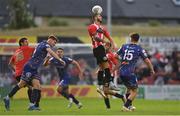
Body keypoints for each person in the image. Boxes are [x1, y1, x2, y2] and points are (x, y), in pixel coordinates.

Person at [3, 35, 65, 111]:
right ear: (50, 40)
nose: (54, 44)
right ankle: (7, 97)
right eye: (54, 42)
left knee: (37, 86)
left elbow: (44, 57)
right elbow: (51, 52)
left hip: (34, 68)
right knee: (22, 84)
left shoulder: (42, 44)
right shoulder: (45, 44)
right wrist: (60, 59)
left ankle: (32, 105)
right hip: (30, 66)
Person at [114, 33, 155, 111]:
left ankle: (129, 106)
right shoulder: (139, 48)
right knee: (135, 91)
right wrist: (151, 69)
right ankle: (125, 106)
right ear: (138, 39)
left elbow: (115, 55)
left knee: (129, 88)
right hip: (129, 72)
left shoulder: (124, 46)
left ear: (131, 38)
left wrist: (123, 59)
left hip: (121, 71)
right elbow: (147, 60)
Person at [87, 10, 116, 107]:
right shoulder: (91, 27)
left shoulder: (102, 28)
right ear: (95, 17)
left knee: (104, 67)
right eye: (99, 16)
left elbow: (110, 38)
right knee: (105, 66)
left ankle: (102, 85)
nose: (101, 17)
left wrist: (112, 45)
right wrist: (104, 41)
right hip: (97, 48)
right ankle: (108, 83)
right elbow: (95, 38)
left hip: (102, 49)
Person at [96, 42, 126, 109]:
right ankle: (108, 107)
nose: (104, 47)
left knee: (105, 91)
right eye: (104, 46)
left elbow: (118, 64)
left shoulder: (110, 55)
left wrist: (112, 71)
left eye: (106, 46)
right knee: (105, 92)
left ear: (109, 47)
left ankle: (122, 96)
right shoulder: (106, 54)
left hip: (109, 75)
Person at [8, 38, 36, 107]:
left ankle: (31, 105)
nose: (28, 43)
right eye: (26, 41)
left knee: (30, 87)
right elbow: (37, 49)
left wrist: (15, 70)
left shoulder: (16, 52)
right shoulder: (26, 48)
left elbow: (10, 64)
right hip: (24, 73)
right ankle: (31, 105)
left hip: (17, 74)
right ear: (21, 43)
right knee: (35, 87)